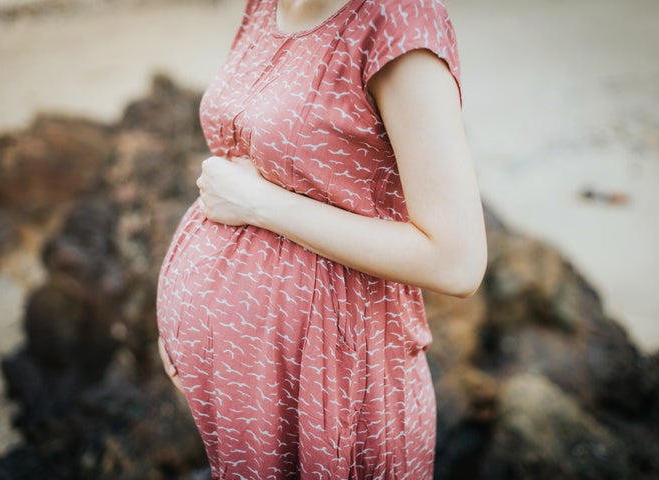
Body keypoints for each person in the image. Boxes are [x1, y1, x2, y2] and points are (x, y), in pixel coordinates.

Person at [156, 0, 487, 477]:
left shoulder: (397, 19)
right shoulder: (268, 4)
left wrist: (261, 205)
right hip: (244, 389)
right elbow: (243, 163)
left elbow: (456, 262)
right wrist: (187, 326)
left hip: (333, 384)